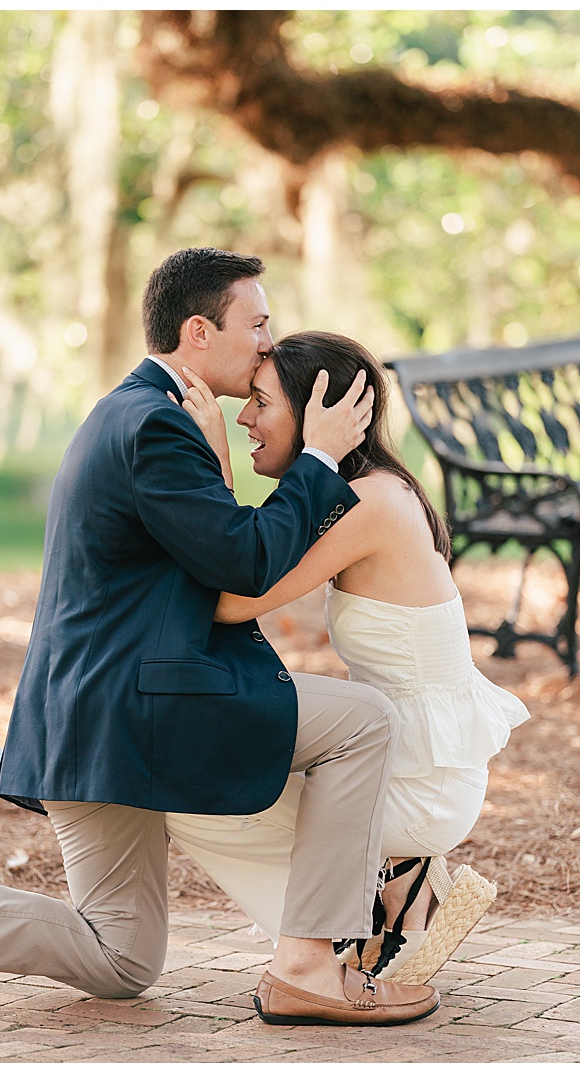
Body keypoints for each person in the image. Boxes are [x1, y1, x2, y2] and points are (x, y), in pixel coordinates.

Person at [0, 249, 441, 1028]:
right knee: (364, 723)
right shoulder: (155, 425)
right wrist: (319, 455)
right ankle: (308, 964)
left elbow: (198, 547)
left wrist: (221, 461)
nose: (266, 344)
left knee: (121, 956)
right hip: (138, 707)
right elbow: (245, 563)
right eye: (256, 325)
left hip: (89, 719)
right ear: (199, 329)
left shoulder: (136, 413)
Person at [165, 330, 531, 983]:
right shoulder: (368, 488)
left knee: (186, 786)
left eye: (260, 401)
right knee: (225, 758)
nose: (243, 416)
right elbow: (254, 552)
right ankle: (391, 890)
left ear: (316, 416)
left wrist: (217, 465)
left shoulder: (368, 504)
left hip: (425, 784)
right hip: (408, 760)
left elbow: (232, 598)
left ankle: (356, 908)